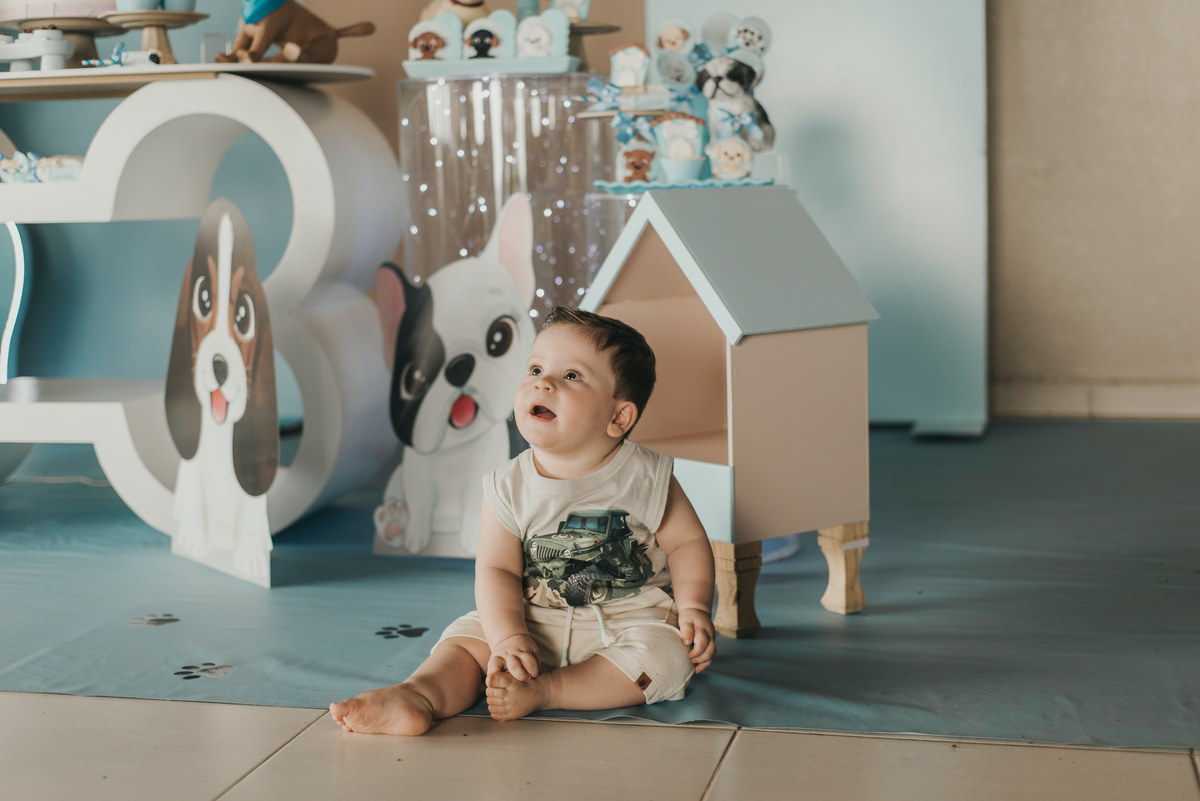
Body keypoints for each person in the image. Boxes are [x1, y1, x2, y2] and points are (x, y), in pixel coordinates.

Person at [330, 306, 716, 735]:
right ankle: (419, 695)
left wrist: (694, 606)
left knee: (667, 660)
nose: (542, 381)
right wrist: (508, 635)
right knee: (469, 638)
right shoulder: (507, 485)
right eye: (535, 368)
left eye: (571, 376)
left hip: (625, 624)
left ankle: (549, 691)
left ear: (618, 417)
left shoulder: (646, 475)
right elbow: (496, 569)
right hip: (532, 620)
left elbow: (687, 543)